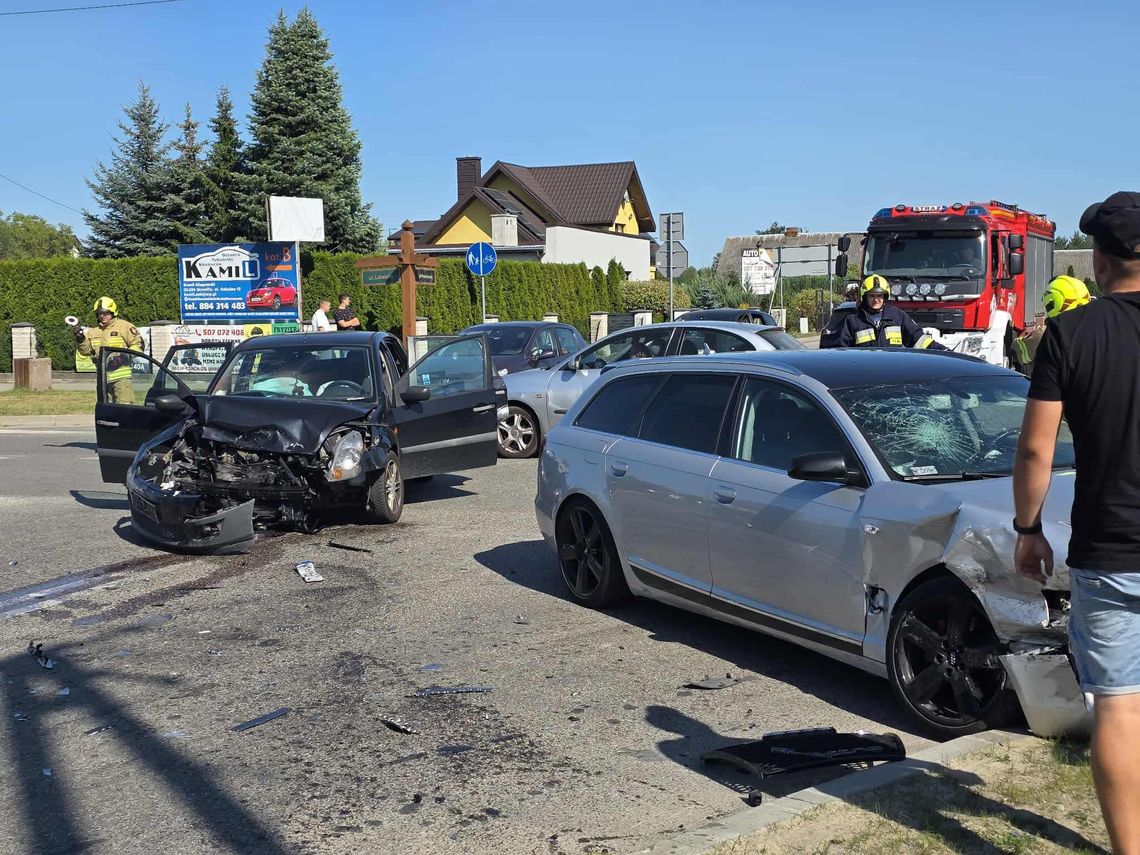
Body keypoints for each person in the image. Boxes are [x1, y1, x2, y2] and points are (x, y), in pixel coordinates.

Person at [1013, 190, 1140, 855]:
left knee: (1119, 706)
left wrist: (1027, 528)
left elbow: (1036, 450)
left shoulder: (1071, 333)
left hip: (1110, 549)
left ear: (1100, 260)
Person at [832, 274, 945, 349]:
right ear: (865, 297)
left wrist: (944, 351)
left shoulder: (897, 316)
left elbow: (919, 340)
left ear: (885, 296)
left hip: (893, 371)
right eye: (872, 296)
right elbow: (842, 351)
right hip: (865, 372)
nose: (876, 300)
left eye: (879, 295)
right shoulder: (853, 320)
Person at [1013, 275, 1091, 376]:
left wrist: (1021, 339)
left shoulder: (1046, 335)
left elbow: (1016, 351)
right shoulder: (1100, 332)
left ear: (1054, 302)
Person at [75, 296, 144, 403]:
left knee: (124, 409)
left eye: (105, 313)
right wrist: (81, 339)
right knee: (105, 411)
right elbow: (86, 352)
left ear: (113, 312)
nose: (102, 316)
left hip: (121, 378)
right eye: (99, 313)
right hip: (103, 379)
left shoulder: (124, 327)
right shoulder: (93, 330)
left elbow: (139, 346)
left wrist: (123, 357)